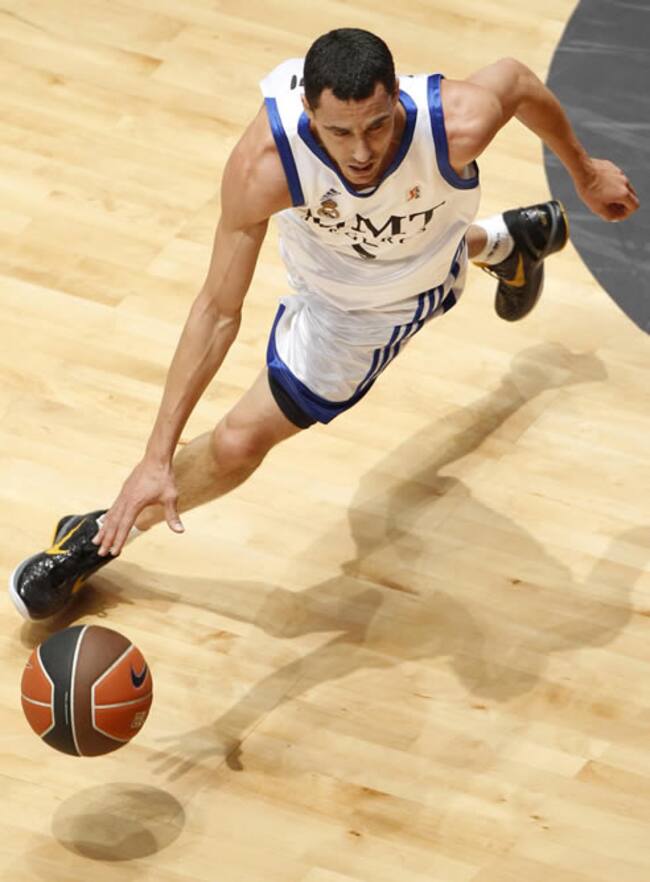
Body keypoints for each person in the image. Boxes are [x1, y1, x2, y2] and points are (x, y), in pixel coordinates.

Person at [9, 29, 639, 621]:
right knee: (403, 232)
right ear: (309, 112)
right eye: (340, 132)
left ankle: (95, 535)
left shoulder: (456, 124)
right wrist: (156, 456)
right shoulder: (265, 165)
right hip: (328, 257)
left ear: (397, 96)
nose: (361, 151)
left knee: (237, 444)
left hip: (374, 308)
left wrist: (584, 174)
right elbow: (217, 309)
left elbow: (519, 81)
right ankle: (508, 240)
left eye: (377, 124)